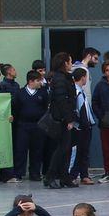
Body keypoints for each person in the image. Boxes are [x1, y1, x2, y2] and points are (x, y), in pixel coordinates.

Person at [42, 52, 78, 189]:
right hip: (61, 119)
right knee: (62, 149)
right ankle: (50, 176)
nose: (71, 64)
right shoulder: (60, 79)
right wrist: (68, 119)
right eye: (70, 61)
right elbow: (61, 101)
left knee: (67, 148)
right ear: (65, 63)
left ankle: (64, 177)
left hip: (65, 117)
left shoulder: (64, 77)